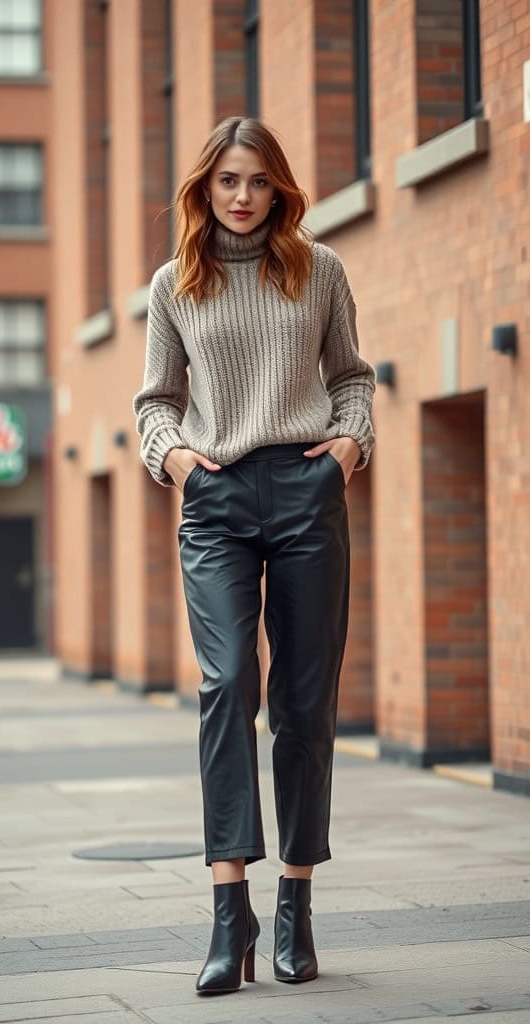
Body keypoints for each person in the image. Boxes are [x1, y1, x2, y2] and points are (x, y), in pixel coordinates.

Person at [132, 116, 376, 996]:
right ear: (205, 189)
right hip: (218, 497)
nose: (242, 197)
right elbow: (156, 400)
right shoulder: (174, 285)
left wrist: (346, 450)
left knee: (305, 700)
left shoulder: (321, 270)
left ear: (280, 189)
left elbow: (352, 377)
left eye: (258, 181)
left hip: (307, 487)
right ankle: (227, 912)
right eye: (228, 181)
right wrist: (179, 461)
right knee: (228, 681)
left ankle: (295, 906)